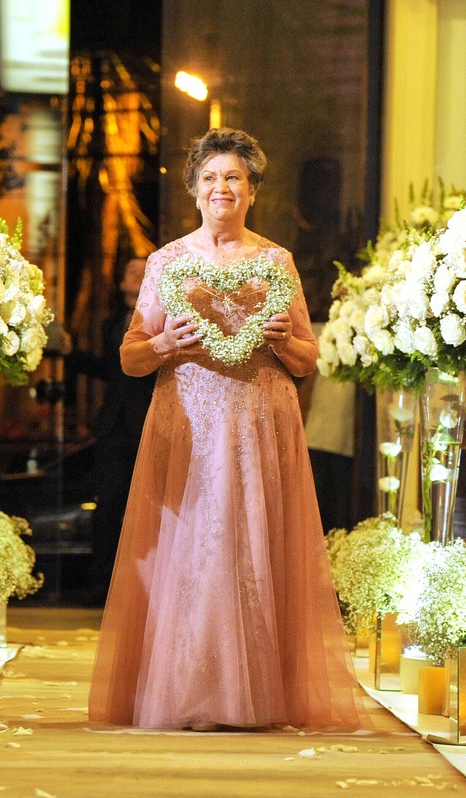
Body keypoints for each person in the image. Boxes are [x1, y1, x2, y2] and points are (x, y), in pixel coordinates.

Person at [88, 128, 368, 731]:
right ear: (194, 189)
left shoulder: (276, 262)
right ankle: (193, 690)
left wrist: (283, 341)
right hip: (189, 423)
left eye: (234, 177)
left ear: (253, 190)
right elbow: (130, 357)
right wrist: (165, 343)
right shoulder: (166, 262)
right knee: (194, 548)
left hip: (258, 423)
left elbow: (308, 359)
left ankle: (257, 694)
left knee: (252, 545)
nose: (223, 188)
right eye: (211, 177)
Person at [64, 256, 157, 604]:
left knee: (148, 506)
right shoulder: (113, 321)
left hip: (147, 424)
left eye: (145, 271)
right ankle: (102, 583)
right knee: (108, 504)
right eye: (132, 271)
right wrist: (71, 354)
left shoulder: (160, 319)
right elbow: (110, 370)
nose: (138, 275)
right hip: (114, 427)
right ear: (121, 283)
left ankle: (146, 587)